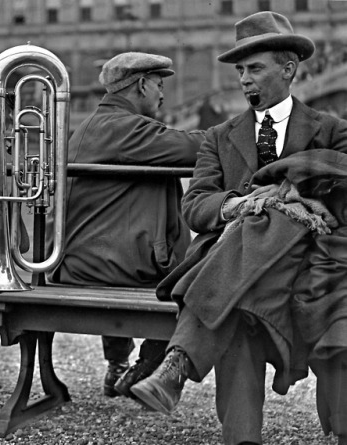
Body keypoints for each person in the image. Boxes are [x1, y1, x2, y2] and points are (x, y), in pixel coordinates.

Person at [129, 11, 347, 445]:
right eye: (241, 71)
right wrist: (238, 205)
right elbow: (196, 206)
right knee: (241, 299)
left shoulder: (331, 130)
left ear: (289, 70)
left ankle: (178, 364)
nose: (244, 80)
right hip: (241, 270)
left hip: (314, 263)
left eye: (255, 68)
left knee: (273, 223)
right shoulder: (218, 137)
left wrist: (282, 193)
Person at [49, 52, 205, 398]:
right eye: (159, 85)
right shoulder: (125, 128)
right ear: (142, 84)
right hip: (107, 267)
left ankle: (120, 365)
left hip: (79, 263)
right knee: (203, 275)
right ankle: (150, 365)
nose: (162, 94)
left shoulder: (95, 124)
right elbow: (194, 147)